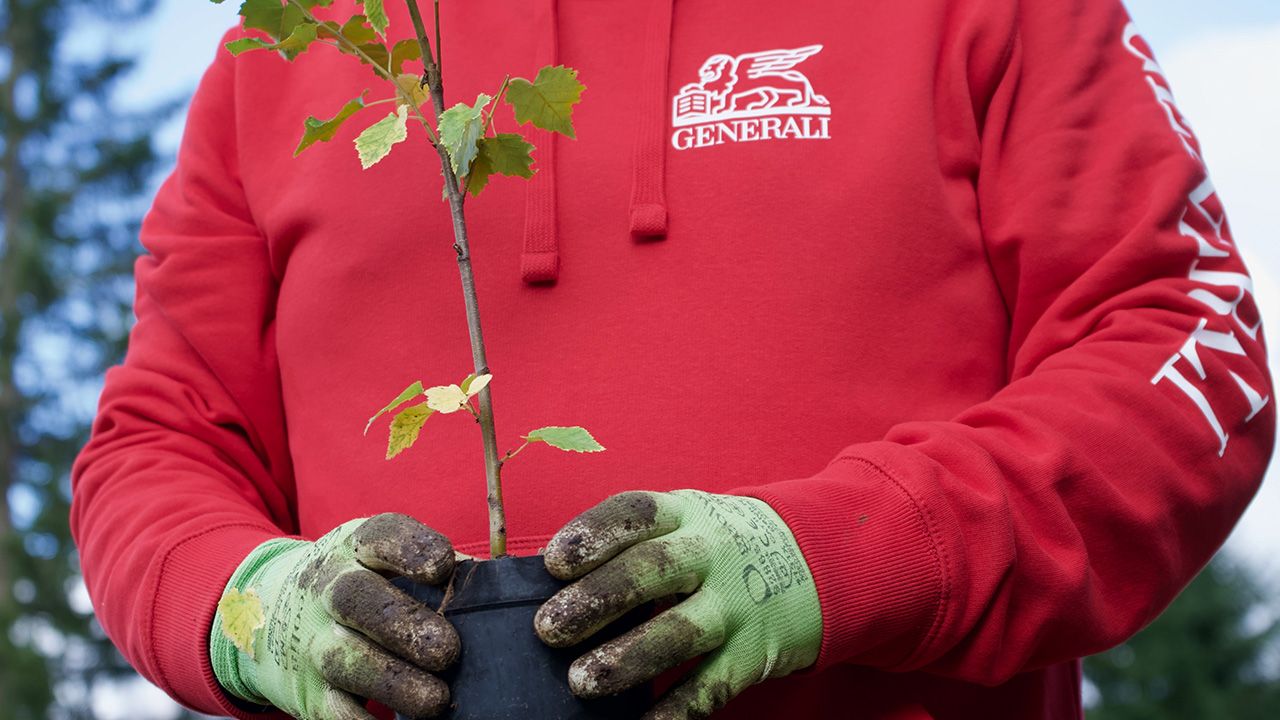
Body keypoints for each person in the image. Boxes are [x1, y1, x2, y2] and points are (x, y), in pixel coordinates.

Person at [70, 1, 1274, 719]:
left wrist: (842, 556)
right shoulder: (291, 45)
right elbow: (156, 446)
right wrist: (249, 607)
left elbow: (1179, 346)